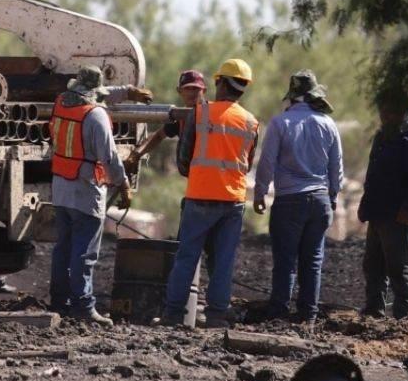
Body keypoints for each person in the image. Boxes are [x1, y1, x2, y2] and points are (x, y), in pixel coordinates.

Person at [160, 59, 260, 329]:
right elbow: (247, 163)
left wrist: (198, 175)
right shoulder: (251, 122)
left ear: (220, 82)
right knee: (224, 260)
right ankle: (216, 315)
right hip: (233, 201)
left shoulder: (201, 113)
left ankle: (173, 314)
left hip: (200, 196)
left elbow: (184, 159)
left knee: (187, 257)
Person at [49, 65, 151, 325]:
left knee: (63, 249)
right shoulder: (96, 116)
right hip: (85, 192)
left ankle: (59, 303)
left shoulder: (61, 103)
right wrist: (124, 184)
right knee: (84, 253)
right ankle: (83, 307)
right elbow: (110, 157)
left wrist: (127, 92)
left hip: (61, 189)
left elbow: (101, 94)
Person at [252, 70, 344, 323]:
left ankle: (279, 311)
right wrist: (333, 195)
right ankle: (308, 315)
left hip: (289, 201)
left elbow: (267, 162)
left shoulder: (281, 123)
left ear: (291, 97)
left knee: (285, 260)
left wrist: (260, 192)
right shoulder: (328, 123)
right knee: (313, 260)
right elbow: (336, 166)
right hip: (320, 200)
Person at [128, 69, 220, 278]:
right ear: (179, 91)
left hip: (214, 190)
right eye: (187, 89)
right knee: (190, 247)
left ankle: (198, 298)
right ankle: (187, 294)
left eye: (196, 89)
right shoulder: (182, 117)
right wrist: (137, 153)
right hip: (197, 188)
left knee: (207, 249)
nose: (192, 93)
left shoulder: (210, 115)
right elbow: (160, 134)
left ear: (204, 90)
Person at [357, 86, 408, 320]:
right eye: (382, 111)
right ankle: (374, 312)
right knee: (372, 264)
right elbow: (373, 173)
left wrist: (407, 209)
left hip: (398, 214)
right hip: (378, 212)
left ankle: (405, 315)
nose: (384, 116)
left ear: (402, 111)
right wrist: (366, 205)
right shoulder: (382, 136)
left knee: (399, 267)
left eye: (390, 111)